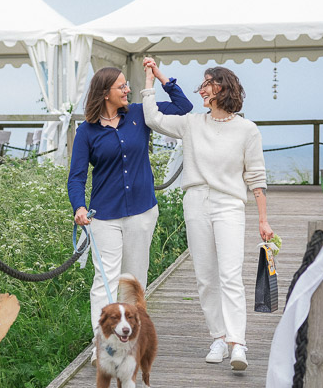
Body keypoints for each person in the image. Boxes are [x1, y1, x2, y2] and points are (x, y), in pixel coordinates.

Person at [141, 62, 274, 371]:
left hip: (229, 204)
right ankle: (219, 337)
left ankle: (237, 343)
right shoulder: (191, 124)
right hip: (196, 202)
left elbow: (256, 177)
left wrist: (263, 219)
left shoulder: (247, 130)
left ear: (222, 88)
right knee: (205, 276)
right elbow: (153, 118)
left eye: (206, 84)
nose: (200, 90)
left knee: (230, 274)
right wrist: (151, 79)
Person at [67, 61, 193, 362]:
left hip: (141, 211)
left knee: (135, 281)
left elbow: (183, 107)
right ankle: (102, 344)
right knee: (105, 280)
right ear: (105, 93)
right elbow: (76, 177)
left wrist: (159, 77)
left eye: (127, 84)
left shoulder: (139, 113)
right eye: (121, 86)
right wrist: (79, 206)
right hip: (104, 215)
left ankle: (128, 342)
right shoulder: (86, 131)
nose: (128, 89)